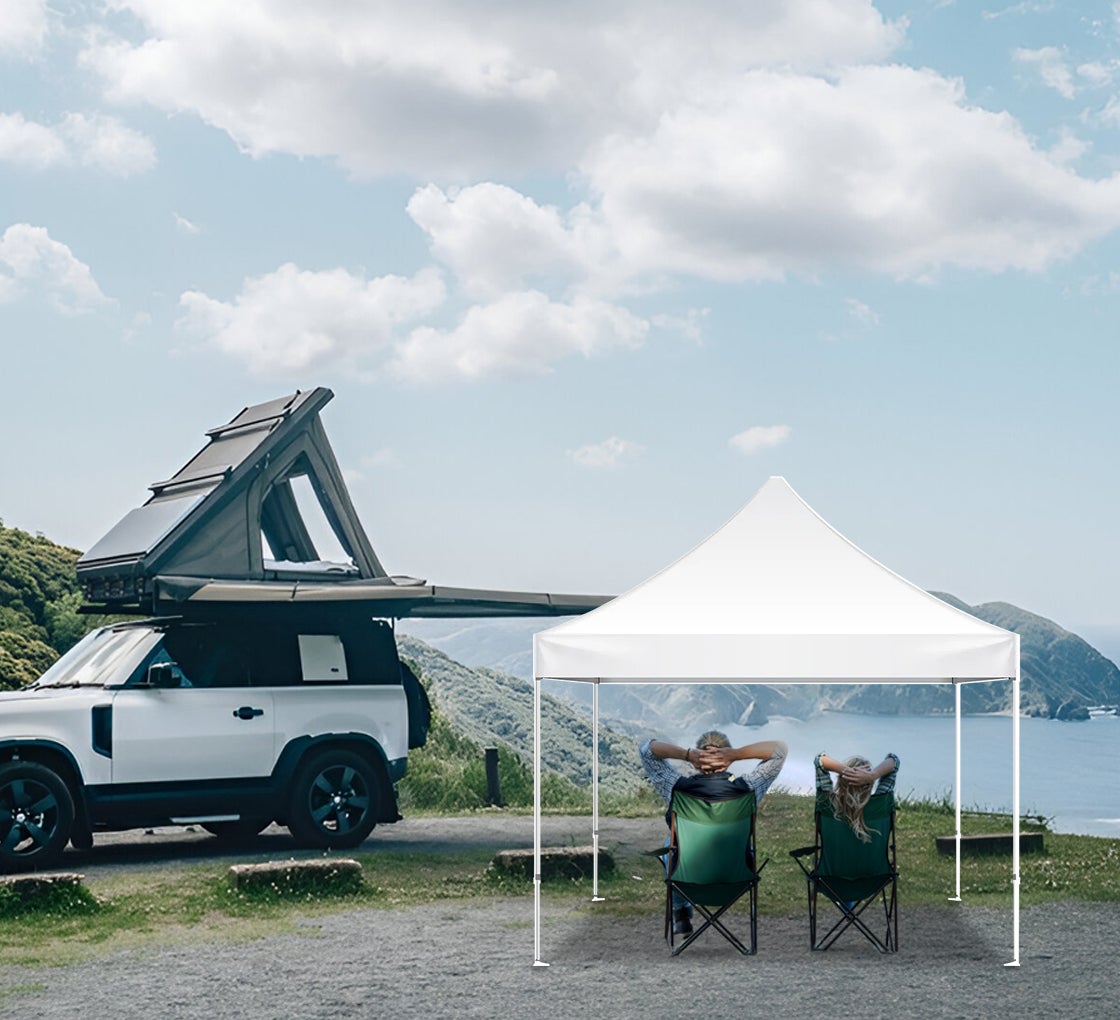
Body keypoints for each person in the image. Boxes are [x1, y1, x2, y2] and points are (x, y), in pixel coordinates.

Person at [639, 731, 787, 934]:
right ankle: (682, 910)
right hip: (736, 881)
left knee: (671, 843)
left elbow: (646, 749)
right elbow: (780, 750)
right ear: (726, 762)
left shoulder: (676, 789)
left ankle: (680, 911)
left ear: (696, 763)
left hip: (687, 882)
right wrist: (734, 754)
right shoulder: (749, 790)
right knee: (742, 843)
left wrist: (688, 754)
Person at [814, 751, 901, 842]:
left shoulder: (828, 804)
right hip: (873, 857)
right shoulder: (880, 805)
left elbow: (819, 761)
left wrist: (846, 771)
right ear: (869, 785)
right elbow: (894, 760)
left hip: (833, 857)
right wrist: (872, 775)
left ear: (841, 781)